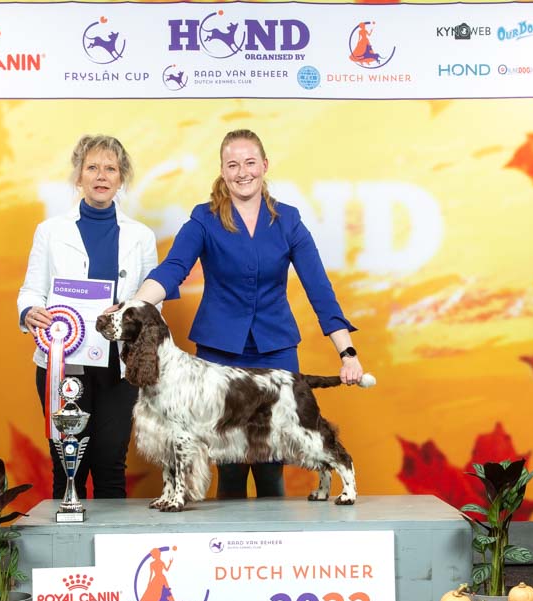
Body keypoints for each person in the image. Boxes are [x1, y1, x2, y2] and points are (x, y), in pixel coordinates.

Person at [132, 128, 363, 499]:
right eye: (233, 165)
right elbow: (173, 268)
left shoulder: (288, 220)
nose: (243, 172)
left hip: (275, 350)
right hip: (219, 353)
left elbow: (319, 289)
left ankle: (274, 536)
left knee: (273, 462)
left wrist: (347, 352)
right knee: (229, 466)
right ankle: (228, 538)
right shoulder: (204, 219)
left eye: (250, 162)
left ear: (265, 165)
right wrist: (135, 306)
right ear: (223, 171)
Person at [17, 134, 158, 500]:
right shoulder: (49, 231)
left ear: (121, 177)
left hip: (118, 367)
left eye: (110, 168)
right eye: (92, 167)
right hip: (64, 365)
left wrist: (128, 312)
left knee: (111, 465)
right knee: (68, 465)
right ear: (78, 175)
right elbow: (31, 290)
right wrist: (30, 311)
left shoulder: (141, 236)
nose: (101, 176)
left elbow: (154, 306)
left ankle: (114, 540)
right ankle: (67, 533)